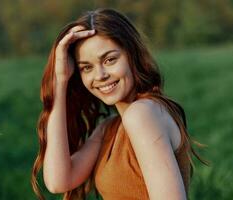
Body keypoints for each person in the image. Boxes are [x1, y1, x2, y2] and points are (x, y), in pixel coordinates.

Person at [31, 8, 208, 200]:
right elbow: (58, 181)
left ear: (132, 54)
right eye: (87, 67)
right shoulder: (109, 129)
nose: (100, 75)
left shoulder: (142, 114)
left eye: (109, 60)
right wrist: (60, 80)